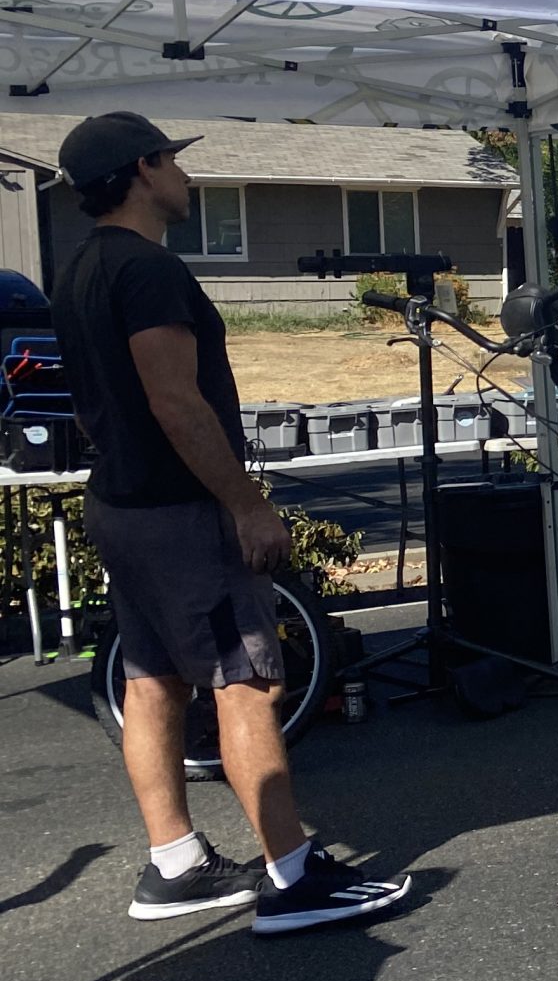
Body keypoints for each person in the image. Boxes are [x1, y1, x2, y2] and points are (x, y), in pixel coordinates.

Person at [49, 112, 411, 934]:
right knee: (247, 684)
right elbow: (175, 400)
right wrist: (245, 502)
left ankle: (174, 865)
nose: (184, 175)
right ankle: (292, 880)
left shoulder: (77, 271)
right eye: (173, 160)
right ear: (144, 170)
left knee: (151, 680)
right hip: (181, 514)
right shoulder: (146, 271)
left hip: (122, 505)